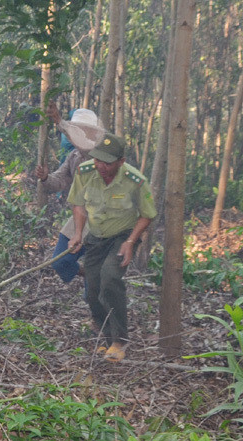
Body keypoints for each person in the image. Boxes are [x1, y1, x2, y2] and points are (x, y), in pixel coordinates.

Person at [67, 133, 157, 363]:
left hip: (123, 234)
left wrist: (130, 242)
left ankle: (120, 341)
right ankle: (107, 340)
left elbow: (147, 215)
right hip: (96, 235)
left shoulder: (135, 180)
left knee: (110, 278)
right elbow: (78, 204)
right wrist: (78, 233)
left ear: (121, 161)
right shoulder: (85, 172)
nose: (101, 166)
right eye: (98, 160)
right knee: (93, 287)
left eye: (107, 162)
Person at [34, 104, 104, 283]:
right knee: (60, 261)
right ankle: (86, 273)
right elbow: (60, 180)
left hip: (103, 221)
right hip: (80, 216)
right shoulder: (74, 156)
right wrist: (45, 177)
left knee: (93, 290)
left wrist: (60, 122)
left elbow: (86, 146)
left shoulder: (100, 154)